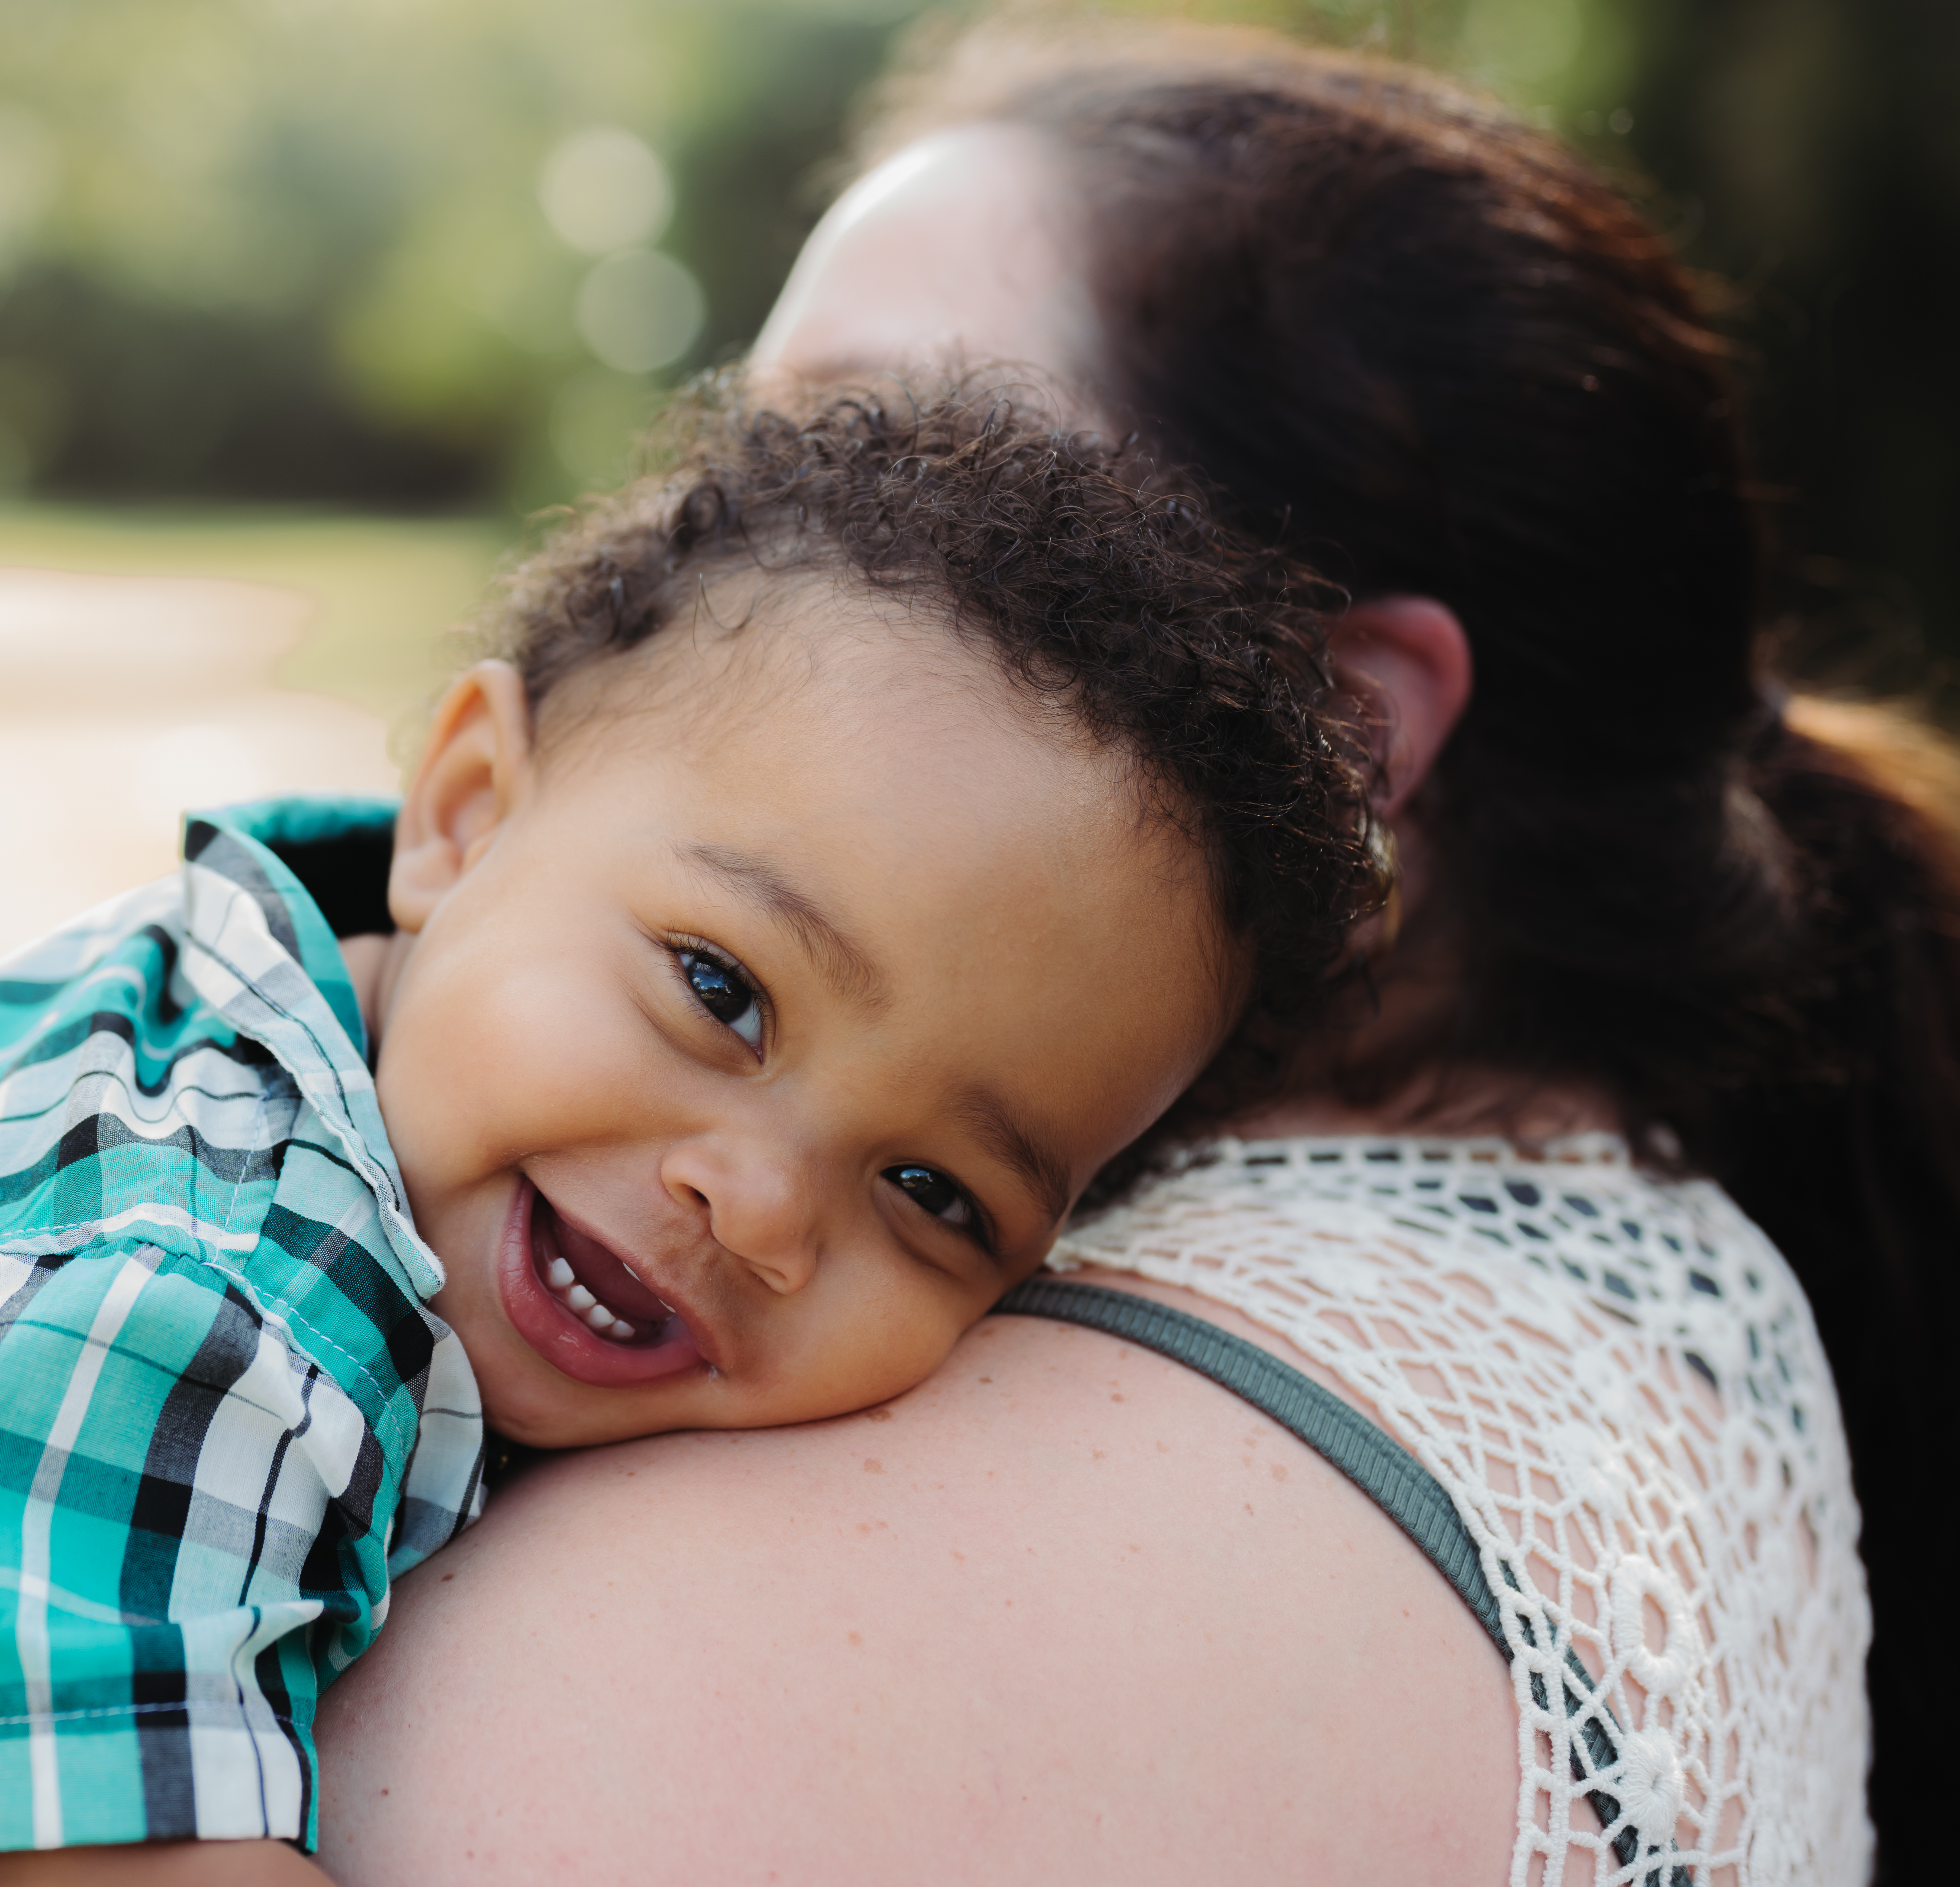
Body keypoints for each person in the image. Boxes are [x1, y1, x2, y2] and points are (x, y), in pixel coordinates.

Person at [0, 389, 1391, 1887]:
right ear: (468, 807)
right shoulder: (159, 1299)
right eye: (721, 991)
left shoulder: (391, 1027)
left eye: (935, 1195)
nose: (756, 1206)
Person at [296, 19, 1955, 1887]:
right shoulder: (1669, 1312)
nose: (735, 534)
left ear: (1335, 754)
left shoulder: (861, 1561)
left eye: (875, 445)